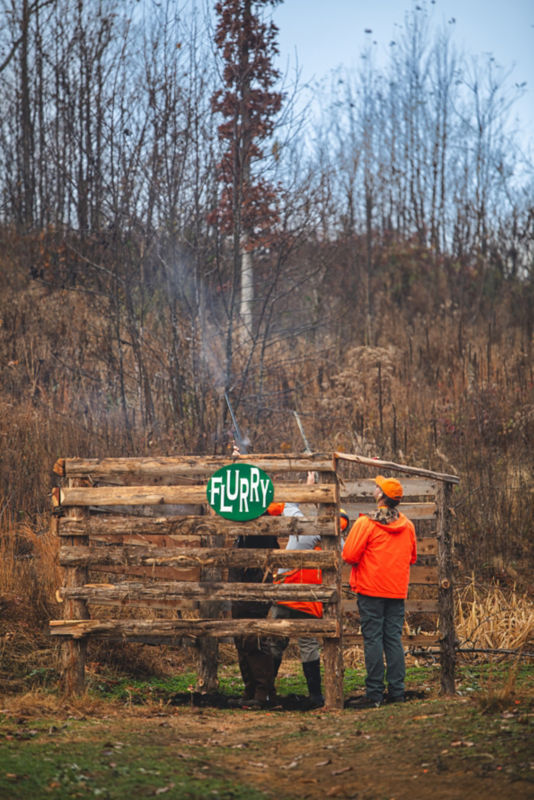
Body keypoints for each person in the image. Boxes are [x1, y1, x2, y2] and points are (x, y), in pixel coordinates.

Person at [271, 478, 349, 709]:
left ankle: (266, 690)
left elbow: (288, 505)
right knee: (308, 645)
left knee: (276, 642)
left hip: (287, 592)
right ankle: (315, 696)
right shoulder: (337, 544)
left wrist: (308, 487)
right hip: (311, 601)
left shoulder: (303, 526)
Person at [342, 475, 417, 708]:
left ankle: (374, 693)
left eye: (377, 487)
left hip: (371, 589)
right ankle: (397, 692)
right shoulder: (409, 526)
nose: (374, 489)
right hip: (396, 591)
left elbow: (349, 555)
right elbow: (412, 558)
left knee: (373, 639)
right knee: (393, 639)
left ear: (381, 496)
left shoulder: (366, 523)